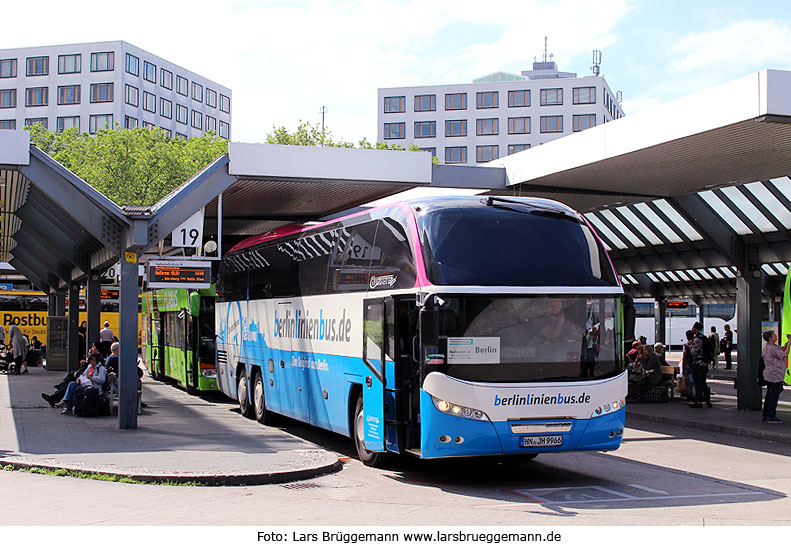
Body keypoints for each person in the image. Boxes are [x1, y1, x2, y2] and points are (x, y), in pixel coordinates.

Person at [761, 330, 790, 424]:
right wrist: (789, 344)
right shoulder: (772, 348)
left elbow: (781, 349)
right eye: (774, 335)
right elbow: (784, 354)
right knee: (774, 396)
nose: (776, 336)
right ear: (770, 338)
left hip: (770, 374)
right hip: (775, 375)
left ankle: (766, 414)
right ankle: (771, 415)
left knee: (770, 394)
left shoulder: (771, 347)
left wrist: (787, 342)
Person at [689, 322, 712, 408]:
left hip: (698, 364)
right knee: (703, 383)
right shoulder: (704, 338)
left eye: (693, 328)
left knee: (697, 384)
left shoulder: (697, 339)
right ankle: (708, 402)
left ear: (696, 329)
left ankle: (698, 402)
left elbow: (694, 352)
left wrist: (691, 346)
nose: (692, 329)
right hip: (704, 364)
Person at [681, 330, 696, 402]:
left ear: (687, 337)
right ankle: (697, 396)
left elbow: (684, 357)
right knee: (696, 382)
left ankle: (692, 396)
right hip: (696, 364)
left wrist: (683, 368)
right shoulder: (696, 344)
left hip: (688, 365)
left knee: (691, 382)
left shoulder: (686, 345)